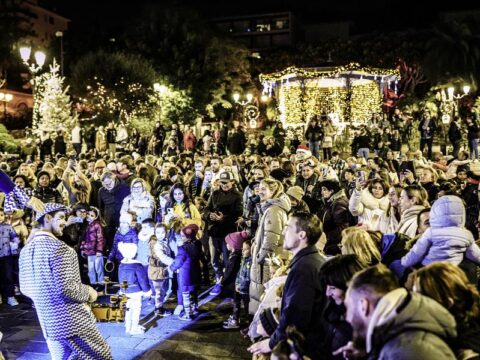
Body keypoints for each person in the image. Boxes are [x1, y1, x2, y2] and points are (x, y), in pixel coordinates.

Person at [19, 203, 112, 359]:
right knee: (102, 356)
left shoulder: (26, 250)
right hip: (73, 322)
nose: (64, 222)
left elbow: (25, 288)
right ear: (47, 218)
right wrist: (90, 293)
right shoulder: (61, 248)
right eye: (61, 217)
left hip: (49, 324)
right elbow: (68, 289)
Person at [334, 264, 456, 360]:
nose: (347, 317)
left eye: (348, 307)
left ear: (363, 306)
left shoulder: (409, 351)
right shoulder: (401, 330)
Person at [248, 211, 325, 359]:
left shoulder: (304, 269)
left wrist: (270, 343)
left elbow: (294, 317)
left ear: (301, 235)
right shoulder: (310, 262)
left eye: (288, 227)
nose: (283, 231)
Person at [412, 262, 480, 359]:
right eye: (414, 295)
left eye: (422, 297)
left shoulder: (463, 352)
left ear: (448, 304)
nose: (414, 302)